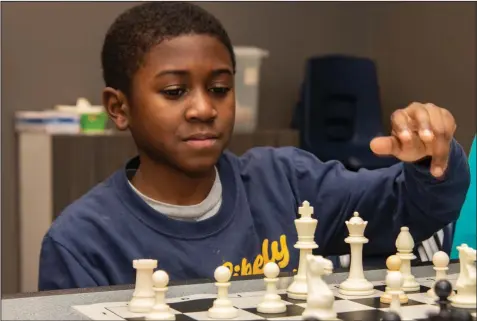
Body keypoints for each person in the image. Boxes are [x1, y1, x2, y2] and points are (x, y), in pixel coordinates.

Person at [38, 1, 470, 291]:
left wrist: (430, 156)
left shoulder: (287, 182)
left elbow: (407, 208)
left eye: (220, 87)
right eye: (174, 92)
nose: (203, 109)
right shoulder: (81, 242)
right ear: (119, 107)